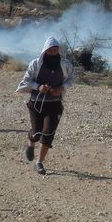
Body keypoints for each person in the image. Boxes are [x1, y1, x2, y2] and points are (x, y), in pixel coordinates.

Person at [16, 36, 75, 175]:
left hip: (55, 104)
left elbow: (72, 78)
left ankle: (39, 162)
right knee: (36, 132)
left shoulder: (65, 64)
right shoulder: (36, 64)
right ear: (45, 51)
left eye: (55, 49)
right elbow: (26, 80)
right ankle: (31, 144)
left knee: (48, 133)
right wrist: (38, 87)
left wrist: (62, 88)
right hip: (36, 103)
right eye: (50, 50)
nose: (53, 52)